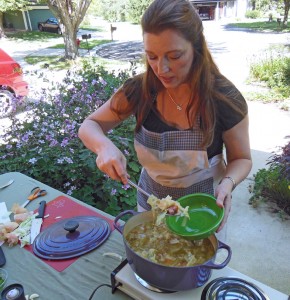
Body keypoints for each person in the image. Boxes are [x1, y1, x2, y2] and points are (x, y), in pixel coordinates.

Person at [78, 0, 252, 234]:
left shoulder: (223, 98)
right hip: (151, 204)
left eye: (174, 55)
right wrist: (103, 147)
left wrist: (228, 183)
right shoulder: (139, 91)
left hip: (202, 214)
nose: (162, 69)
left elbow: (242, 159)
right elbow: (90, 125)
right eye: (152, 56)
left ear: (196, 47)